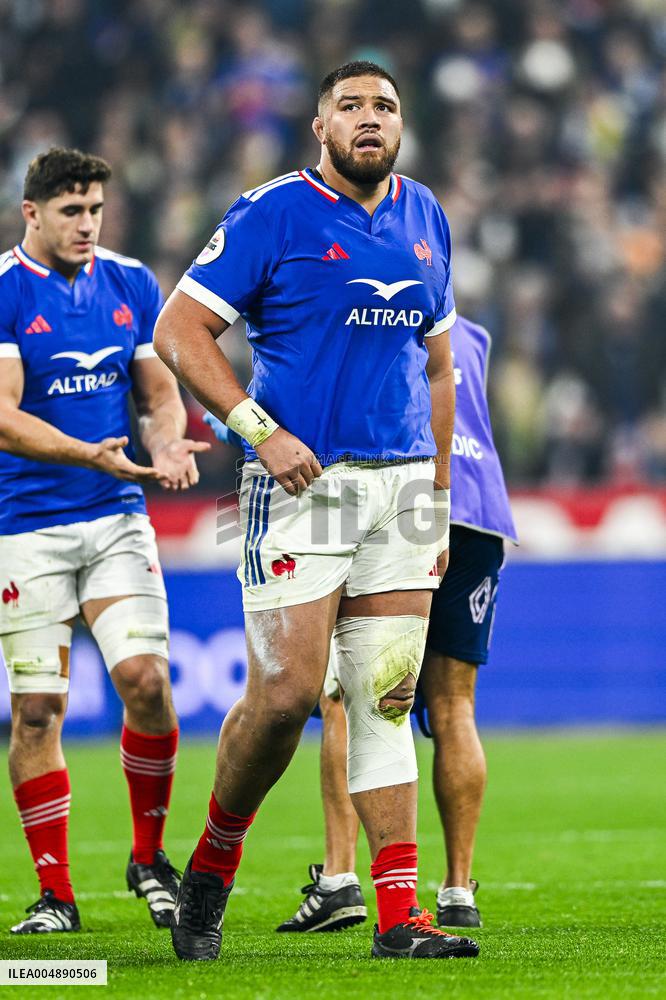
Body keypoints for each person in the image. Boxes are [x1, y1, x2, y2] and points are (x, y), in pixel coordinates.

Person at [155, 60, 479, 962]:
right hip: (303, 484)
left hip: (406, 483)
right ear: (319, 126)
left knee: (386, 696)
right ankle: (213, 870)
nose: (370, 118)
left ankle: (400, 915)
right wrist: (258, 431)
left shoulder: (426, 215)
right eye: (351, 106)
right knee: (289, 693)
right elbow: (178, 331)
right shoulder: (271, 213)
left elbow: (441, 366)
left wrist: (442, 496)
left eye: (385, 105)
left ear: (401, 126)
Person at [0, 147, 209, 934]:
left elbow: (159, 394)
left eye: (94, 210)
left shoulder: (129, 282)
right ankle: (56, 897)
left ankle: (148, 859)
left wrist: (163, 441)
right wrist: (88, 450)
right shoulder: (7, 292)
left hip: (115, 517)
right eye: (69, 212)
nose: (87, 225)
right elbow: (4, 413)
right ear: (32, 214)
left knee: (148, 683)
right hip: (25, 528)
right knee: (37, 711)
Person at [274, 314, 518, 934]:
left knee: (348, 698)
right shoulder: (477, 335)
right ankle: (459, 888)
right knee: (455, 706)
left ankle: (339, 879)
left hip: (399, 499)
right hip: (479, 508)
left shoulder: (362, 313)